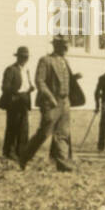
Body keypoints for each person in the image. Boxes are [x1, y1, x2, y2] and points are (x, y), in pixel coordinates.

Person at [20, 36, 74, 172]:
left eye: (67, 45)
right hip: (51, 103)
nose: (66, 48)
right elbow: (40, 81)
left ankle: (62, 162)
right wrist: (50, 98)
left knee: (63, 133)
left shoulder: (65, 61)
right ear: (56, 46)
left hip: (64, 101)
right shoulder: (45, 60)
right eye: (64, 46)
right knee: (44, 132)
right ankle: (24, 156)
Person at [0, 46, 33, 160]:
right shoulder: (11, 69)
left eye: (26, 57)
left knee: (24, 128)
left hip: (24, 101)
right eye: (22, 57)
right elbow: (5, 87)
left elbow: (26, 85)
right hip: (14, 101)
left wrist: (30, 88)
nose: (24, 59)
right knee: (13, 127)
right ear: (18, 57)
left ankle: (22, 152)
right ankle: (9, 152)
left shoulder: (27, 70)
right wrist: (15, 93)